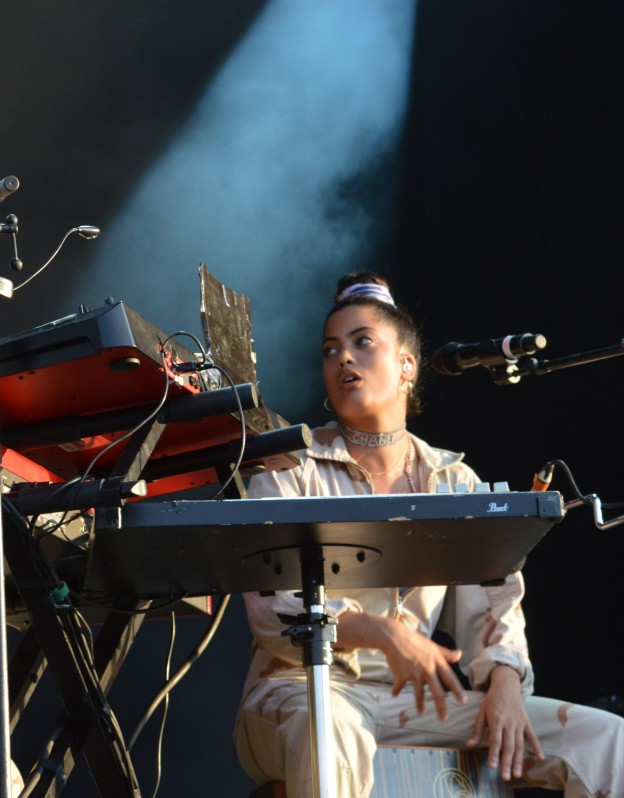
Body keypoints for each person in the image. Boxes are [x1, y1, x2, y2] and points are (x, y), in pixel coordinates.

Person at [232, 273, 624, 797]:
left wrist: (505, 682)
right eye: (331, 350)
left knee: (606, 740)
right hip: (298, 692)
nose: (343, 358)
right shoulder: (290, 469)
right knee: (332, 729)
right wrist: (384, 633)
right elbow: (272, 612)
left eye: (362, 342)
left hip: (413, 705)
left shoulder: (454, 483)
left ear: (406, 367)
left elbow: (495, 604)